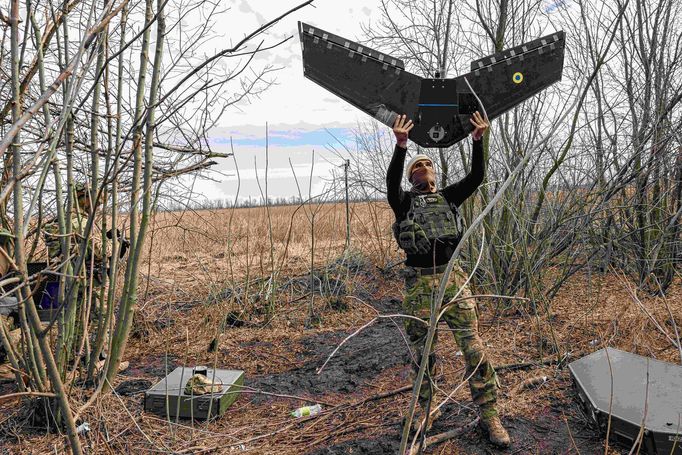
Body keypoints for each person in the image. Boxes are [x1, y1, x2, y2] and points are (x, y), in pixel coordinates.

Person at [387, 112, 510, 448]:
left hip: (452, 281)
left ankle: (489, 414)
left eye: (426, 166)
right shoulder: (404, 203)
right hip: (419, 285)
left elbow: (477, 175)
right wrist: (401, 147)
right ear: (412, 177)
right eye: (416, 168)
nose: (422, 170)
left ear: (435, 175)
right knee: (422, 354)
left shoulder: (449, 197)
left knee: (473, 348)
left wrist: (478, 141)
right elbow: (390, 184)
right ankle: (426, 408)